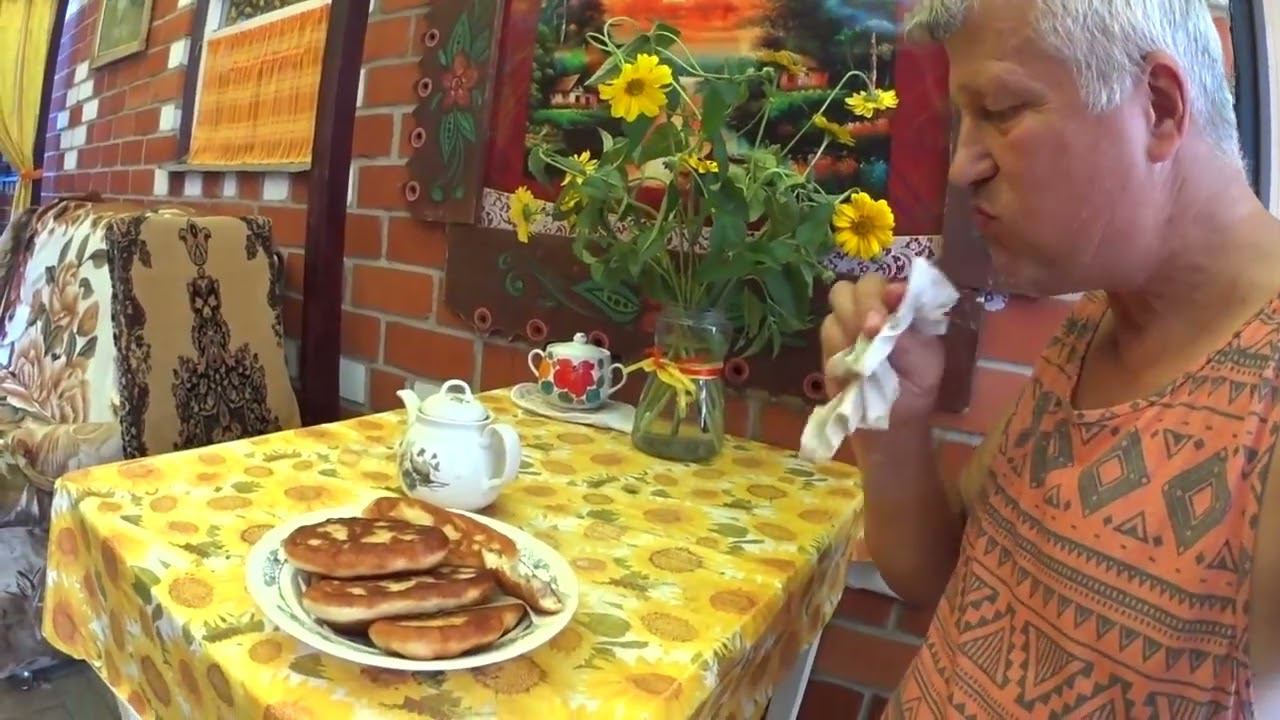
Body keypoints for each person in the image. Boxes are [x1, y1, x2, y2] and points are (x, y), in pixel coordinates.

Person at [820, 0, 1279, 716]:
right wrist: (892, 423)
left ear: (1159, 108)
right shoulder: (1100, 317)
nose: (962, 167)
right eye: (962, 119)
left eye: (1001, 111)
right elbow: (944, 579)